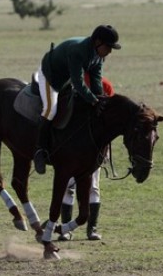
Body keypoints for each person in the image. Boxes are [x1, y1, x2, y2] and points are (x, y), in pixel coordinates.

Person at [33, 25, 121, 175]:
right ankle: (39, 151)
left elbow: (96, 80)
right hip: (50, 77)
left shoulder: (98, 56)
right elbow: (79, 82)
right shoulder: (78, 51)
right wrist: (94, 101)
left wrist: (99, 98)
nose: (110, 51)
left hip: (66, 79)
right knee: (51, 109)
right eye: (108, 47)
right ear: (98, 42)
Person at [59, 74, 115, 241]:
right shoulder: (71, 83)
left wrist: (107, 148)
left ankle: (92, 229)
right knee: (69, 186)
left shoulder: (105, 84)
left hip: (94, 147)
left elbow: (110, 121)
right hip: (72, 146)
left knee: (93, 186)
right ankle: (66, 228)